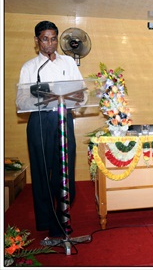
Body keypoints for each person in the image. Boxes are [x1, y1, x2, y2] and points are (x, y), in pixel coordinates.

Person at [16, 21, 84, 238]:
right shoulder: (29, 67)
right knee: (42, 173)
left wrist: (71, 95)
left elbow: (82, 93)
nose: (50, 43)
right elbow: (21, 101)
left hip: (63, 119)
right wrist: (43, 96)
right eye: (45, 39)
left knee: (65, 171)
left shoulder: (69, 63)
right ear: (37, 41)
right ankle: (47, 220)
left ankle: (61, 216)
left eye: (53, 38)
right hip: (39, 122)